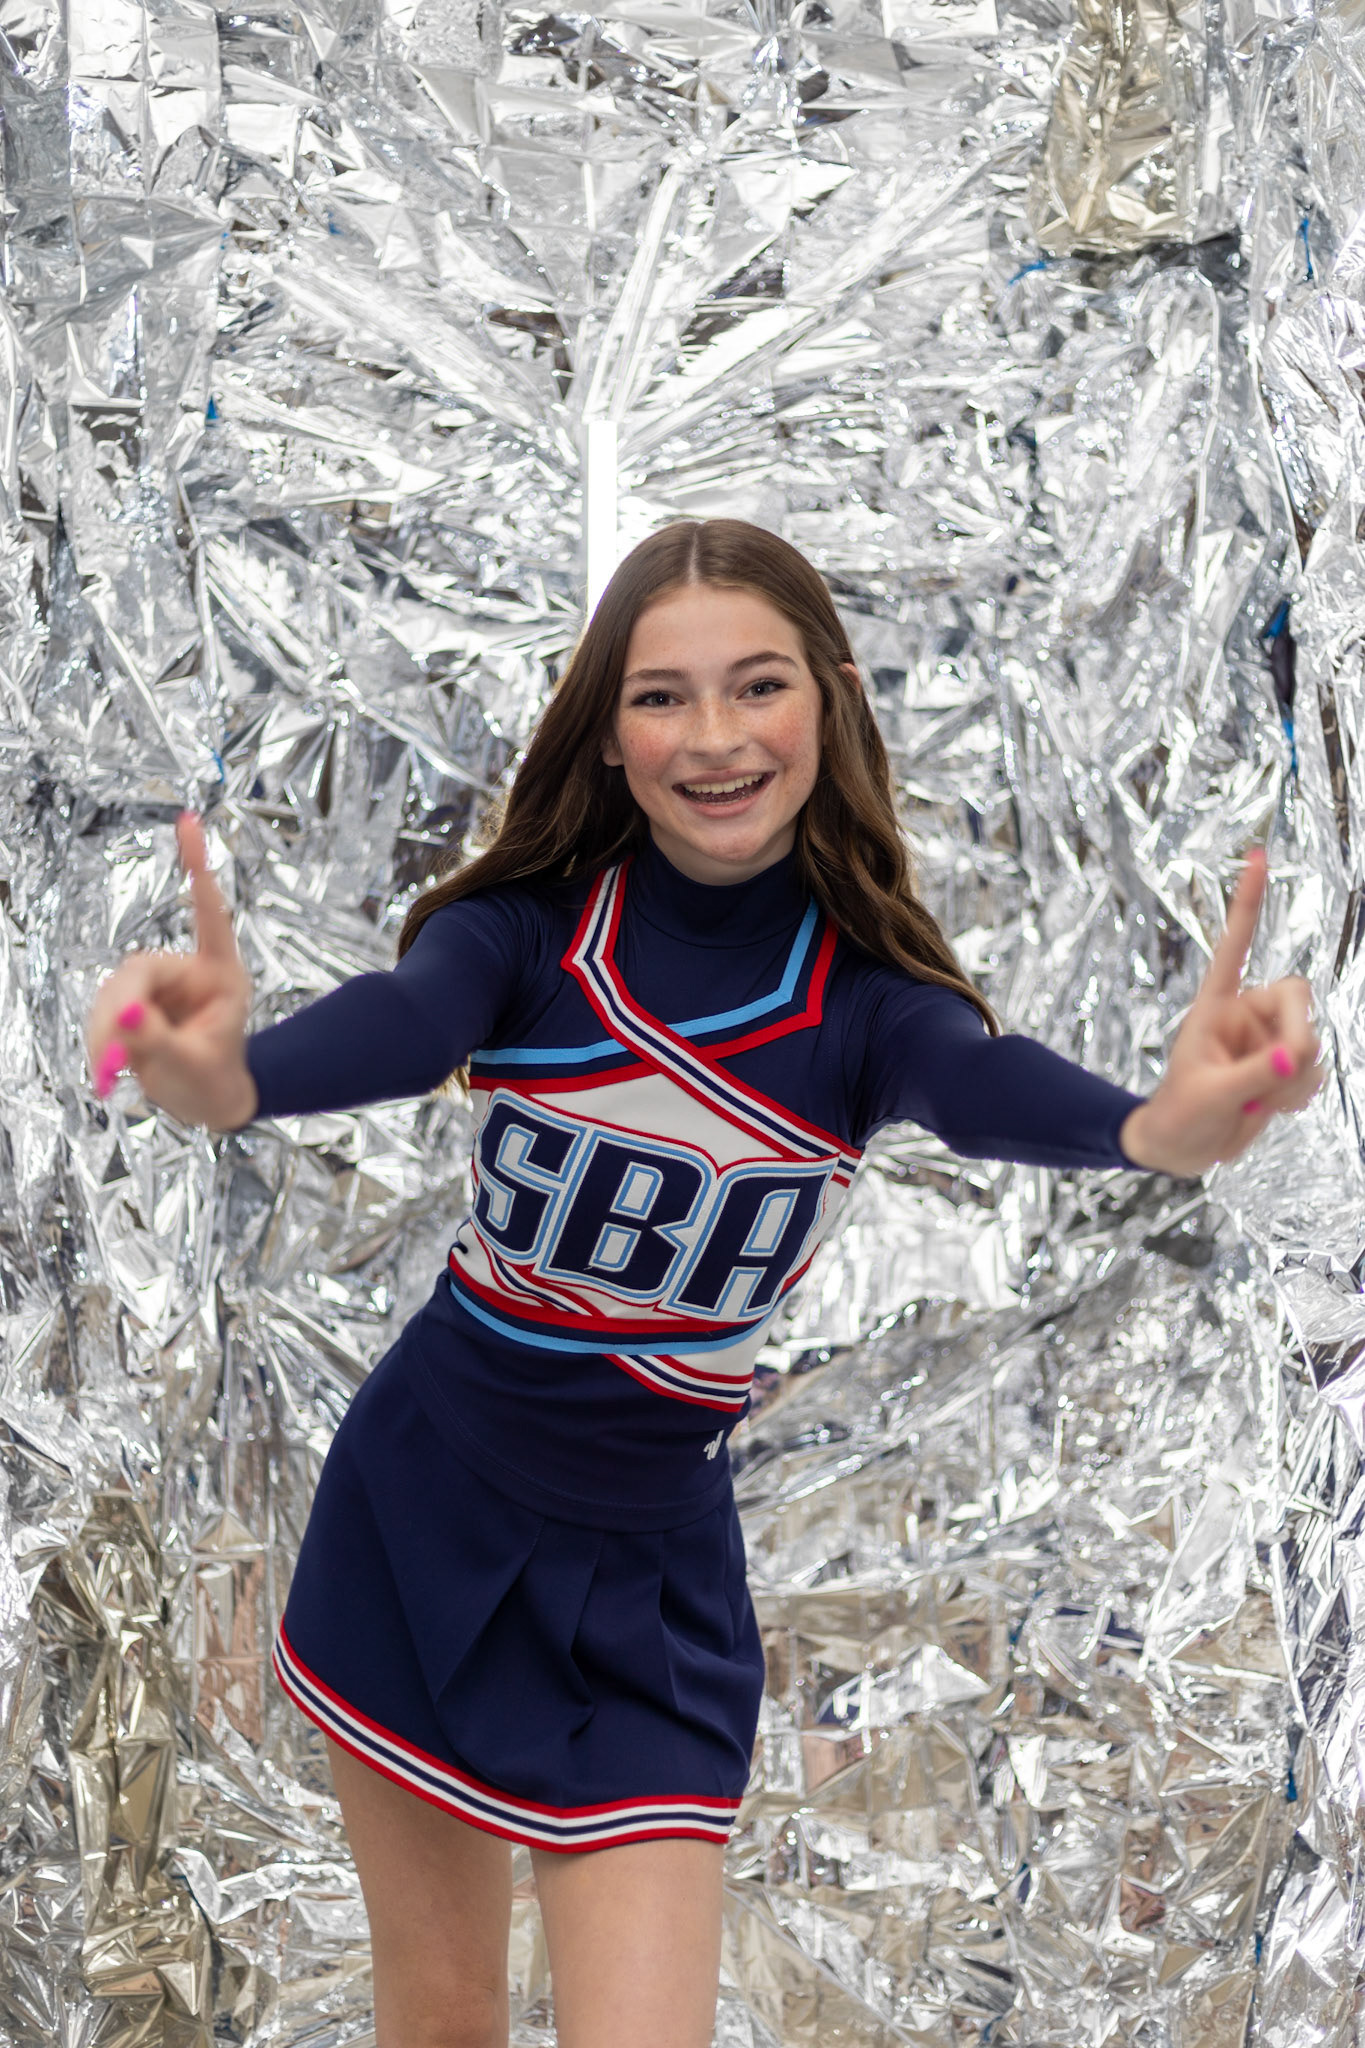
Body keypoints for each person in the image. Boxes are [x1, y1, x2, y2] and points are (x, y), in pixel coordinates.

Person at [85, 520, 1321, 2048]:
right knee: (448, 2015)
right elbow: (407, 1021)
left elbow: (983, 1083)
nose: (715, 737)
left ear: (830, 704)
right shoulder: (524, 940)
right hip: (423, 1514)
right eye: (662, 697)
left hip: (648, 1588)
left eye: (757, 686)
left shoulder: (868, 1010)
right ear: (606, 733)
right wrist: (229, 1084)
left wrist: (1154, 1127)